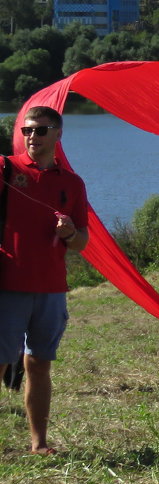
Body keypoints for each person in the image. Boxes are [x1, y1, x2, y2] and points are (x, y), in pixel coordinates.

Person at [0, 107, 89, 455]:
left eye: (40, 130)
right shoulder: (7, 169)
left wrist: (69, 232)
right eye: (26, 130)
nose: (31, 136)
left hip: (51, 288)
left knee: (38, 364)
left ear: (58, 134)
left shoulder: (72, 183)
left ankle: (38, 443)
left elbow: (82, 243)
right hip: (8, 285)